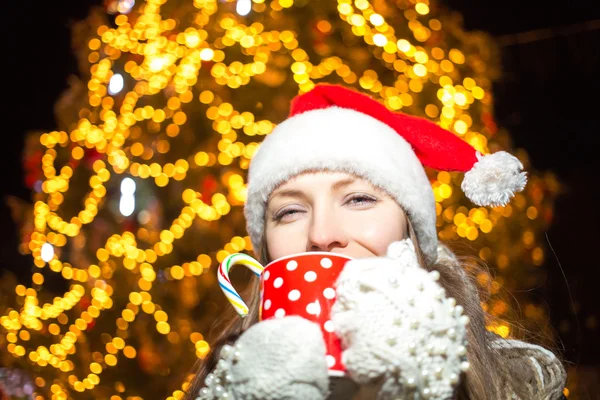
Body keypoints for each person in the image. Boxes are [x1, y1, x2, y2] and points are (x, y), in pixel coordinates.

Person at [183, 84, 566, 399]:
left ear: (410, 230)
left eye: (359, 199)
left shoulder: (512, 385)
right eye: (289, 212)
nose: (321, 235)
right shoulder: (226, 384)